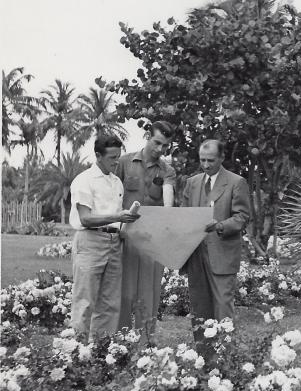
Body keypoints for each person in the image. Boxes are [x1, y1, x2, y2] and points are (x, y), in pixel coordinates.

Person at [68, 134, 141, 342]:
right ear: (98, 156)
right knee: (85, 301)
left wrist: (125, 221)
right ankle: (77, 352)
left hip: (114, 243)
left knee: (110, 302)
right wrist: (117, 216)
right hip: (90, 241)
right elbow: (85, 218)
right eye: (112, 158)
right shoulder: (84, 181)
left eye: (118, 157)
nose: (117, 161)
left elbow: (116, 217)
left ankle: (101, 351)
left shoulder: (117, 182)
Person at [181, 139, 250, 354]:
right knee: (199, 307)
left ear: (221, 158)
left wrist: (220, 225)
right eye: (202, 160)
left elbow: (242, 217)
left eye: (211, 160)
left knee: (222, 307)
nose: (206, 164)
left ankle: (226, 357)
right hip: (195, 254)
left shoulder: (236, 182)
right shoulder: (192, 183)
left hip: (222, 253)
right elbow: (183, 214)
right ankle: (204, 356)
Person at [115, 120, 176, 341]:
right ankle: (119, 341)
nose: (160, 150)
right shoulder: (123, 162)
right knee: (124, 291)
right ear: (147, 136)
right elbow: (113, 196)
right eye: (157, 143)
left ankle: (146, 342)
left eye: (165, 146)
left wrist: (167, 214)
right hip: (126, 238)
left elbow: (167, 197)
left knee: (149, 293)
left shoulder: (167, 170)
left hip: (153, 241)